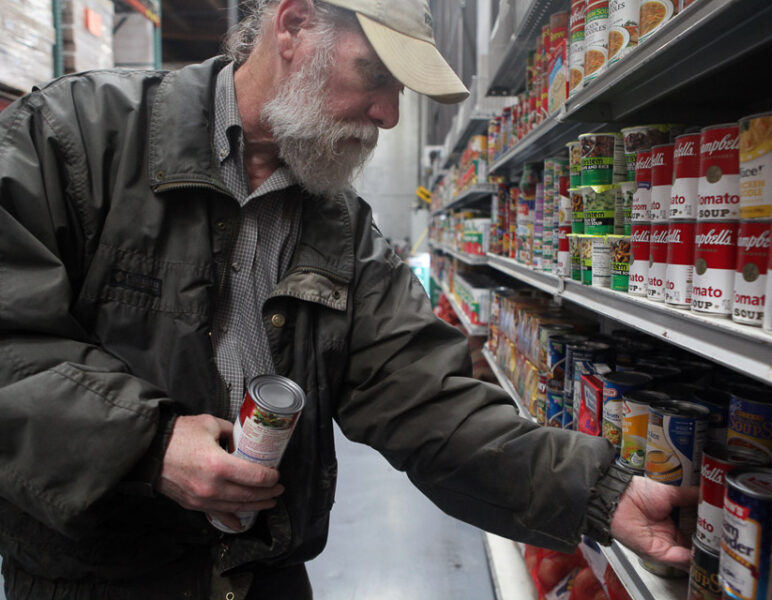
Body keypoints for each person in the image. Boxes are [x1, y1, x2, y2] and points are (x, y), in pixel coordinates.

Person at [0, 0, 696, 598]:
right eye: (377, 77)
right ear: (295, 25)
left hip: (261, 571)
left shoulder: (341, 227)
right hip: (101, 574)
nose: (389, 116)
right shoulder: (75, 139)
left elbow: (423, 397)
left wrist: (603, 494)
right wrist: (147, 444)